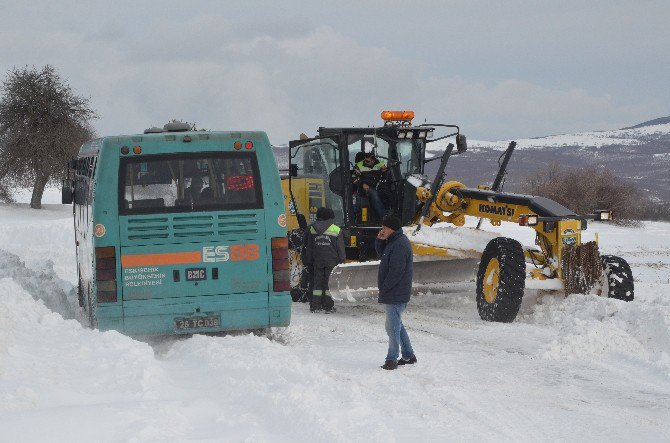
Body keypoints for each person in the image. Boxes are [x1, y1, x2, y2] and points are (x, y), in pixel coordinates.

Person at [375, 214, 416, 370]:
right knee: (396, 325)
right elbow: (382, 255)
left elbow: (396, 271)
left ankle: (391, 359)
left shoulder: (399, 244)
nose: (382, 229)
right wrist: (379, 240)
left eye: (384, 227)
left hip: (395, 292)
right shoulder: (393, 242)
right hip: (395, 292)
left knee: (392, 328)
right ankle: (408, 355)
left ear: (391, 228)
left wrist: (384, 288)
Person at [305, 207, 346, 313]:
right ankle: (328, 306)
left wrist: (308, 260)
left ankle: (315, 306)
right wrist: (342, 260)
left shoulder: (312, 228)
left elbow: (309, 246)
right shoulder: (336, 229)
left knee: (317, 284)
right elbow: (340, 247)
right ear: (331, 217)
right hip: (331, 261)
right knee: (329, 284)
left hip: (317, 261)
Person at [354, 152, 387, 220]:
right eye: (365, 160)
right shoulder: (359, 165)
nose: (365, 162)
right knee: (374, 194)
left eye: (367, 161)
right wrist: (362, 184)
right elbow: (354, 179)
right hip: (363, 188)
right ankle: (384, 217)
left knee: (389, 193)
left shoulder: (379, 163)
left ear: (373, 161)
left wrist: (385, 170)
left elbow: (385, 171)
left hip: (377, 186)